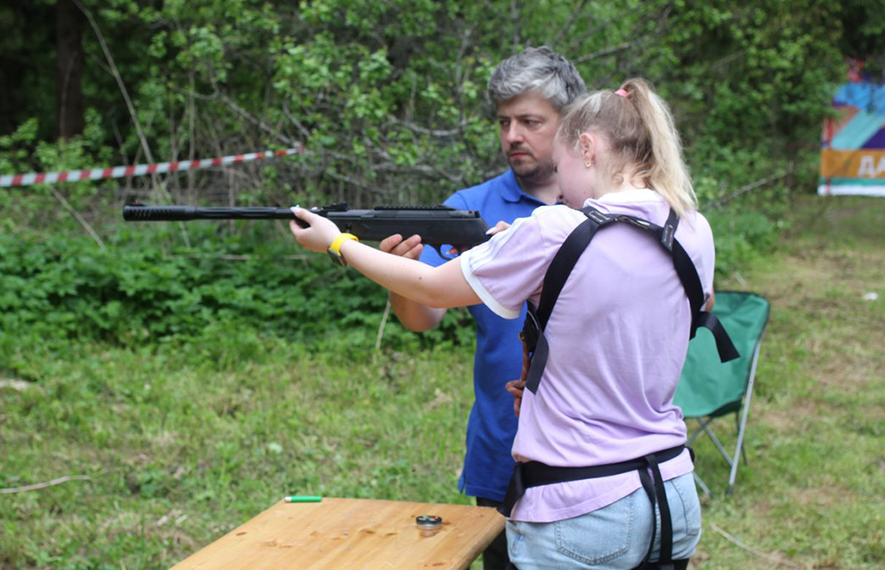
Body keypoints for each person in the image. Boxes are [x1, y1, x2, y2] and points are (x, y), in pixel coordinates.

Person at [291, 78, 709, 569]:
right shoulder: (692, 227)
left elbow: (432, 286)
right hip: (671, 493)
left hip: (580, 507)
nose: (561, 187)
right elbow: (650, 323)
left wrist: (337, 243)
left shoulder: (554, 228)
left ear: (588, 149)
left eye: (562, 166)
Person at [380, 46, 585, 570]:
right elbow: (421, 318)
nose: (513, 135)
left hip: (594, 454)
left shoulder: (607, 206)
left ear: (571, 124)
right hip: (503, 448)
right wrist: (400, 275)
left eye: (530, 121)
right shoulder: (468, 208)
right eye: (503, 122)